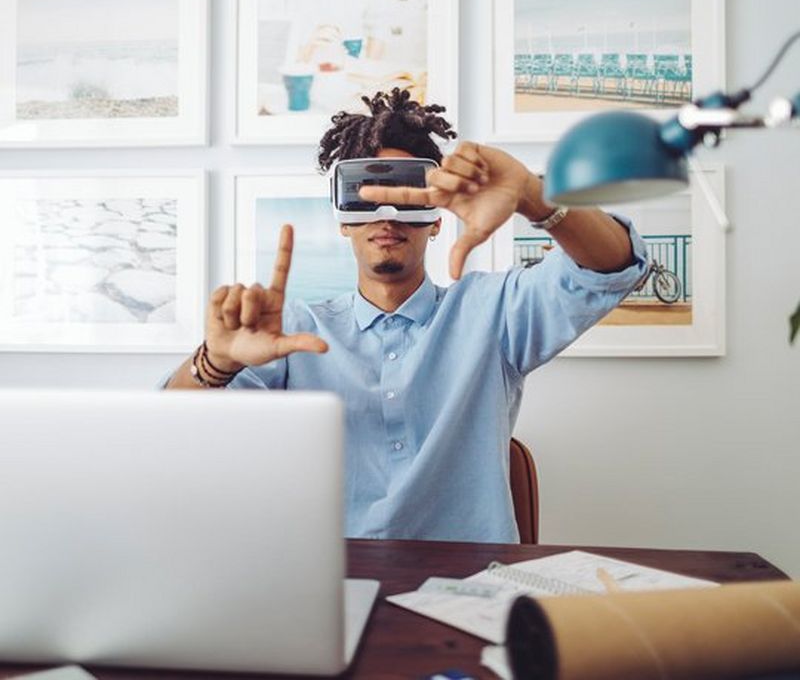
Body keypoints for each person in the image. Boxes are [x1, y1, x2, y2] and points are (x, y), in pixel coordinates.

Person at [166, 88, 647, 543]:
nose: (388, 212)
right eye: (366, 195)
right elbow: (168, 430)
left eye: (408, 193)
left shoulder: (493, 313)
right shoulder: (291, 334)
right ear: (343, 219)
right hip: (331, 580)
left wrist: (531, 194)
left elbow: (613, 267)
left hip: (473, 584)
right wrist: (218, 362)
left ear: (437, 218)